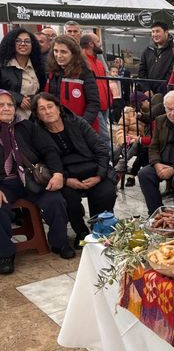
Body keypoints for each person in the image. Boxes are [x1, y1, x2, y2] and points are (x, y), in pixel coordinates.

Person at [0, 89, 74, 275]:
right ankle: (5, 254)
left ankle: (59, 243)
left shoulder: (26, 127)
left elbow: (49, 150)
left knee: (55, 200)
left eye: (9, 104)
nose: (6, 108)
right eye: (1, 105)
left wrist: (57, 173)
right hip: (4, 183)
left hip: (32, 178)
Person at [32, 92, 117, 249]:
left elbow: (100, 149)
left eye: (50, 106)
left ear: (58, 107)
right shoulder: (38, 133)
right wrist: (66, 180)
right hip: (66, 175)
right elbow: (42, 163)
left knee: (106, 191)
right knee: (68, 197)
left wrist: (99, 176)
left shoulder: (77, 122)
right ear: (37, 114)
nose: (47, 111)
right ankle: (82, 232)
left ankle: (100, 230)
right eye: (42, 109)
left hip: (93, 170)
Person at [45, 36, 100, 130]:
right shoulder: (52, 73)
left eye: (63, 52)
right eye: (55, 51)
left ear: (73, 54)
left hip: (80, 127)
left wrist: (83, 125)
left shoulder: (84, 73)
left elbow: (93, 103)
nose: (58, 55)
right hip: (57, 126)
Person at [0, 28, 46, 120]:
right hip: (9, 119)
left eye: (27, 41)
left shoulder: (39, 67)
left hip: (34, 118)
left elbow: (43, 90)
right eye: (18, 41)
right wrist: (17, 98)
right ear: (11, 43)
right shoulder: (2, 67)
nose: (23, 44)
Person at [80, 33, 111, 142]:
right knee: (104, 136)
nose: (100, 44)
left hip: (104, 103)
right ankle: (110, 156)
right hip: (95, 104)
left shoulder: (97, 62)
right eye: (98, 41)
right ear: (91, 44)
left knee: (103, 134)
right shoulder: (83, 62)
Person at [138, 21, 174, 97]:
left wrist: (158, 93)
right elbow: (141, 72)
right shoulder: (147, 50)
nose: (155, 34)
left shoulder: (173, 52)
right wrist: (146, 89)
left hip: (165, 95)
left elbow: (171, 74)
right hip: (147, 95)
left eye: (158, 31)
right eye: (153, 32)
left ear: (166, 32)